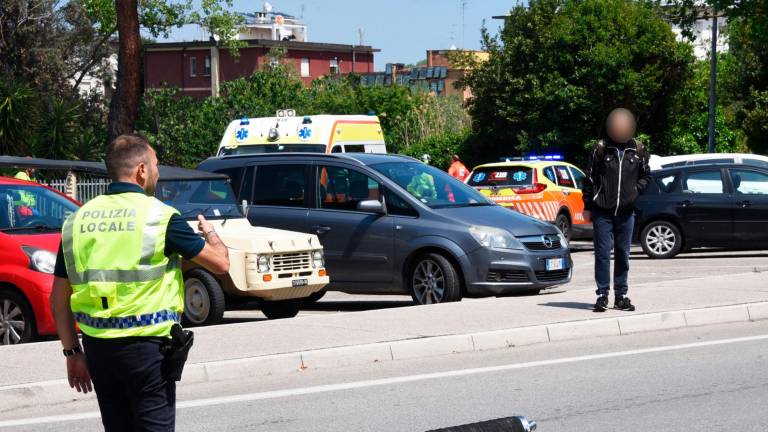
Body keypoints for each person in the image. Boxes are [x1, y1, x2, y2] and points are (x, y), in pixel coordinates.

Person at [49, 134, 230, 431]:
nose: (158, 173)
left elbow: (58, 298)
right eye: (156, 165)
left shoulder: (78, 221)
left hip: (98, 350)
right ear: (142, 170)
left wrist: (72, 353)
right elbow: (221, 264)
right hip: (147, 350)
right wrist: (210, 233)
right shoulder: (159, 217)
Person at [582, 108, 651, 313]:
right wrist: (587, 206)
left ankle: (621, 295)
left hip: (626, 212)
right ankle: (602, 295)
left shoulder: (638, 150)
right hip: (602, 211)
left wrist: (634, 191)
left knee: (623, 254)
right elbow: (589, 178)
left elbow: (647, 176)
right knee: (602, 254)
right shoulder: (601, 149)